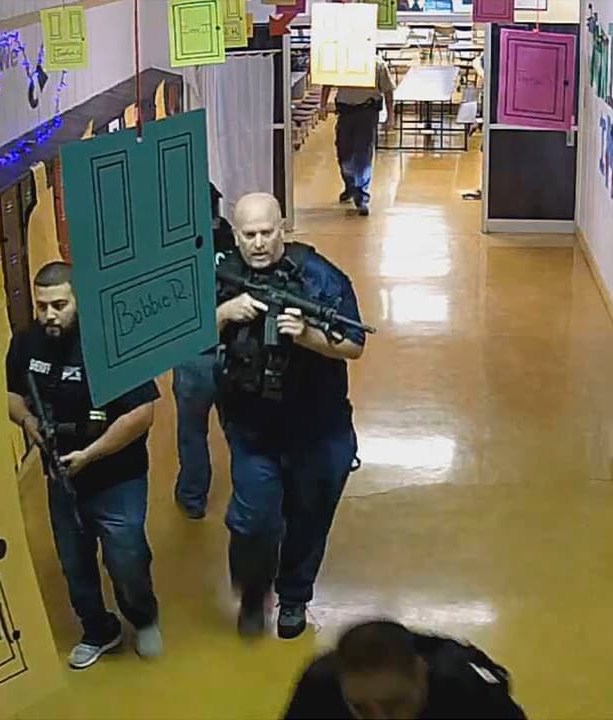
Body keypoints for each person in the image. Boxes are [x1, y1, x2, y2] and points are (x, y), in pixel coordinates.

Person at [215, 192, 365, 640]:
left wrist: (308, 336)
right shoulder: (220, 273)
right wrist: (223, 314)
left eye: (267, 232)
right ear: (236, 235)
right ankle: (252, 594)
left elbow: (355, 344)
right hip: (252, 427)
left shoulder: (320, 277)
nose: (259, 243)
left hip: (317, 428)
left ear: (283, 229)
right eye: (249, 235)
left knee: (308, 517)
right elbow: (181, 338)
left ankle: (295, 597)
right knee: (252, 519)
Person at [5, 261, 163, 669]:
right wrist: (29, 422)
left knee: (126, 560)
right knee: (74, 564)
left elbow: (141, 413)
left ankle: (143, 620)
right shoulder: (26, 343)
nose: (49, 316)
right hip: (60, 478)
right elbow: (11, 395)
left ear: (81, 299)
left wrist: (89, 455)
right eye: (42, 307)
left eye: (59, 305)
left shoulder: (112, 343)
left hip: (117, 478)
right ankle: (98, 630)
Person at [282, 619, 527, 719]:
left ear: (422, 674)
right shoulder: (318, 687)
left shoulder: (471, 692)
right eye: (361, 709)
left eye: (394, 705)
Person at [172, 183, 239, 519]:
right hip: (233, 350)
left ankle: (192, 496)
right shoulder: (230, 240)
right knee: (239, 428)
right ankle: (248, 489)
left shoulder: (176, 246)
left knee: (192, 432)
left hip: (193, 354)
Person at [320, 56, 396, 216]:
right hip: (346, 112)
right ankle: (350, 185)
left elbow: (388, 91)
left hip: (367, 112)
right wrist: (322, 105)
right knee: (343, 152)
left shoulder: (377, 63)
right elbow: (326, 82)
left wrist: (391, 116)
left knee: (363, 154)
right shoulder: (340, 60)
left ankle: (361, 196)